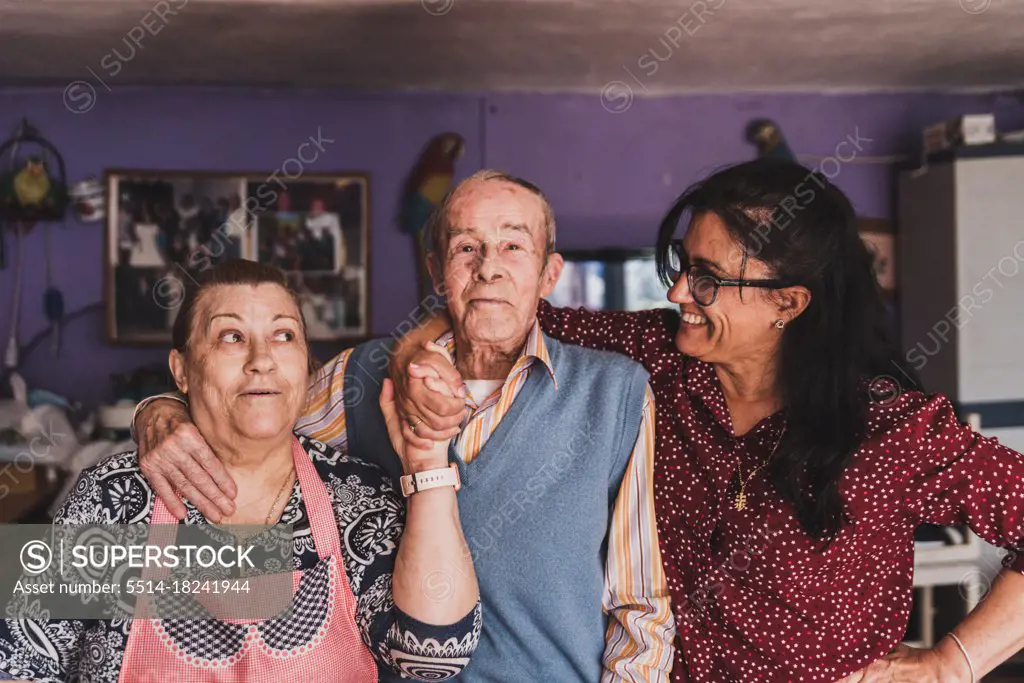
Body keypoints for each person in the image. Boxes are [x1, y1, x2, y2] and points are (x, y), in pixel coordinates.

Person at [398, 159, 1024, 682]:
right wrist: (414, 357)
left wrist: (954, 663)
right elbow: (503, 315)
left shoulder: (888, 430)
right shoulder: (660, 358)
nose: (676, 295)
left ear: (788, 302)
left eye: (707, 280)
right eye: (681, 264)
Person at [131, 171, 677, 682]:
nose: (488, 267)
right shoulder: (360, 378)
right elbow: (248, 420)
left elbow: (641, 608)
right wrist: (162, 408)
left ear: (548, 273)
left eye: (513, 245)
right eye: (467, 248)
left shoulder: (615, 395)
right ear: (438, 271)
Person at [0, 260, 480, 683]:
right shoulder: (114, 495)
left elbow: (432, 656)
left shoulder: (356, 497)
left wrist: (428, 463)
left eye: (283, 335)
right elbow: (17, 662)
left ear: (306, 367)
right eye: (231, 337)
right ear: (182, 370)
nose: (262, 361)